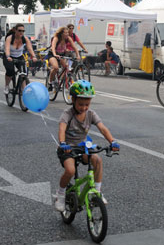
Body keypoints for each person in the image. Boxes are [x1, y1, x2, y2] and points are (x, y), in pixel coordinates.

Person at [54, 80, 120, 212]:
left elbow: (102, 128)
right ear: (73, 99)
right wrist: (62, 143)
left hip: (83, 146)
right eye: (80, 104)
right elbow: (61, 129)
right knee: (71, 171)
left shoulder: (91, 114)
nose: (84, 107)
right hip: (67, 148)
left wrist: (112, 141)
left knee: (97, 160)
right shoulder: (68, 114)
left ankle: (97, 192)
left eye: (87, 104)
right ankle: (60, 195)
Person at [3, 23, 37, 94]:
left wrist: (33, 56)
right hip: (9, 56)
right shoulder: (10, 38)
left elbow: (30, 48)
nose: (21, 32)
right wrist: (8, 56)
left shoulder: (25, 39)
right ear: (15, 30)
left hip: (19, 56)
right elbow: (7, 48)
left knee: (24, 72)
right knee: (10, 71)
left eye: (23, 31)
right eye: (19, 30)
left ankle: (24, 89)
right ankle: (6, 86)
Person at [47, 26, 79, 91]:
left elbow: (74, 47)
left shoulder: (68, 38)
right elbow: (53, 47)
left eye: (68, 32)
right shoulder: (56, 38)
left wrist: (78, 55)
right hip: (53, 55)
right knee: (56, 67)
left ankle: (62, 81)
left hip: (61, 55)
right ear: (61, 33)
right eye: (66, 32)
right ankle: (49, 82)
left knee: (66, 67)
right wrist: (55, 54)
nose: (67, 34)